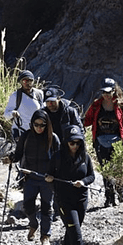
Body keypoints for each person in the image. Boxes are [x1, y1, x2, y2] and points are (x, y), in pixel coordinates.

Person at [46, 125, 95, 245]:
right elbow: (49, 174)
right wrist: (50, 180)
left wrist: (83, 182)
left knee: (72, 232)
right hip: (64, 202)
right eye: (72, 143)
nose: (75, 146)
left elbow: (91, 176)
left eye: (78, 143)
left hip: (81, 201)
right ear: (66, 142)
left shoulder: (85, 157)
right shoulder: (58, 157)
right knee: (77, 235)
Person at [83, 77, 123, 207]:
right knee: (105, 170)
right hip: (100, 142)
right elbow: (88, 119)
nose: (106, 95)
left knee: (118, 168)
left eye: (108, 92)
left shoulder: (121, 105)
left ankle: (120, 191)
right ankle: (109, 197)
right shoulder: (96, 105)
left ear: (114, 91)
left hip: (118, 142)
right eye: (104, 92)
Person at [12, 109, 59, 245]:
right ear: (32, 124)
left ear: (47, 125)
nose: (39, 128)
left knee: (46, 208)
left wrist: (55, 175)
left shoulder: (53, 138)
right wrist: (11, 159)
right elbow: (18, 154)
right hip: (30, 177)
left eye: (42, 125)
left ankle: (46, 236)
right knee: (27, 206)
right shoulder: (26, 136)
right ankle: (33, 224)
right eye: (36, 124)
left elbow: (59, 159)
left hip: (47, 179)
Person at [43, 86, 84, 221]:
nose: (50, 104)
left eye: (52, 101)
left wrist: (79, 148)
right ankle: (57, 208)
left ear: (59, 99)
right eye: (47, 101)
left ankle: (72, 206)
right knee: (54, 179)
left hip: (68, 150)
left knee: (69, 178)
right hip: (51, 151)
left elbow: (80, 130)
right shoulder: (43, 113)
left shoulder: (70, 111)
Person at [3, 70, 44, 140]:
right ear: (21, 82)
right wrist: (12, 113)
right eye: (25, 81)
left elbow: (42, 110)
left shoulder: (39, 94)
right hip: (20, 131)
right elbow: (6, 115)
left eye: (30, 80)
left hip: (36, 130)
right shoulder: (15, 96)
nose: (28, 83)